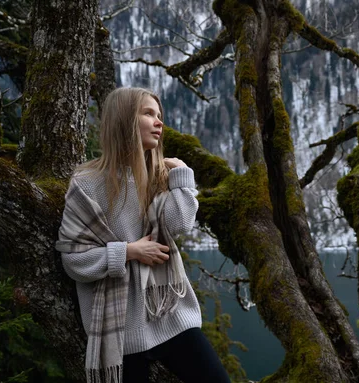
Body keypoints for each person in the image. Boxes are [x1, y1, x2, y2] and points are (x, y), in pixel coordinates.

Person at [56, 87, 230, 383]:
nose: (159, 122)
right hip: (120, 330)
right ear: (124, 120)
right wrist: (129, 251)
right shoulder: (87, 185)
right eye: (149, 113)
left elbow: (179, 224)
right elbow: (74, 260)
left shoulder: (159, 178)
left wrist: (183, 178)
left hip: (170, 317)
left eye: (159, 115)